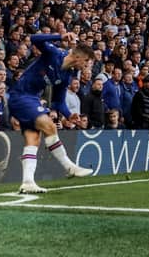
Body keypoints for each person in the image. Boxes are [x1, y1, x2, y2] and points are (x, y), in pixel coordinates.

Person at [9, 32, 96, 194]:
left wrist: (69, 115)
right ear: (79, 58)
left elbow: (58, 101)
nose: (85, 67)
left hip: (33, 99)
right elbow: (34, 39)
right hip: (20, 96)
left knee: (33, 139)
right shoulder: (54, 53)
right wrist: (60, 36)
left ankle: (27, 182)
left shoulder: (66, 75)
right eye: (86, 63)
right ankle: (69, 167)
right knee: (49, 125)